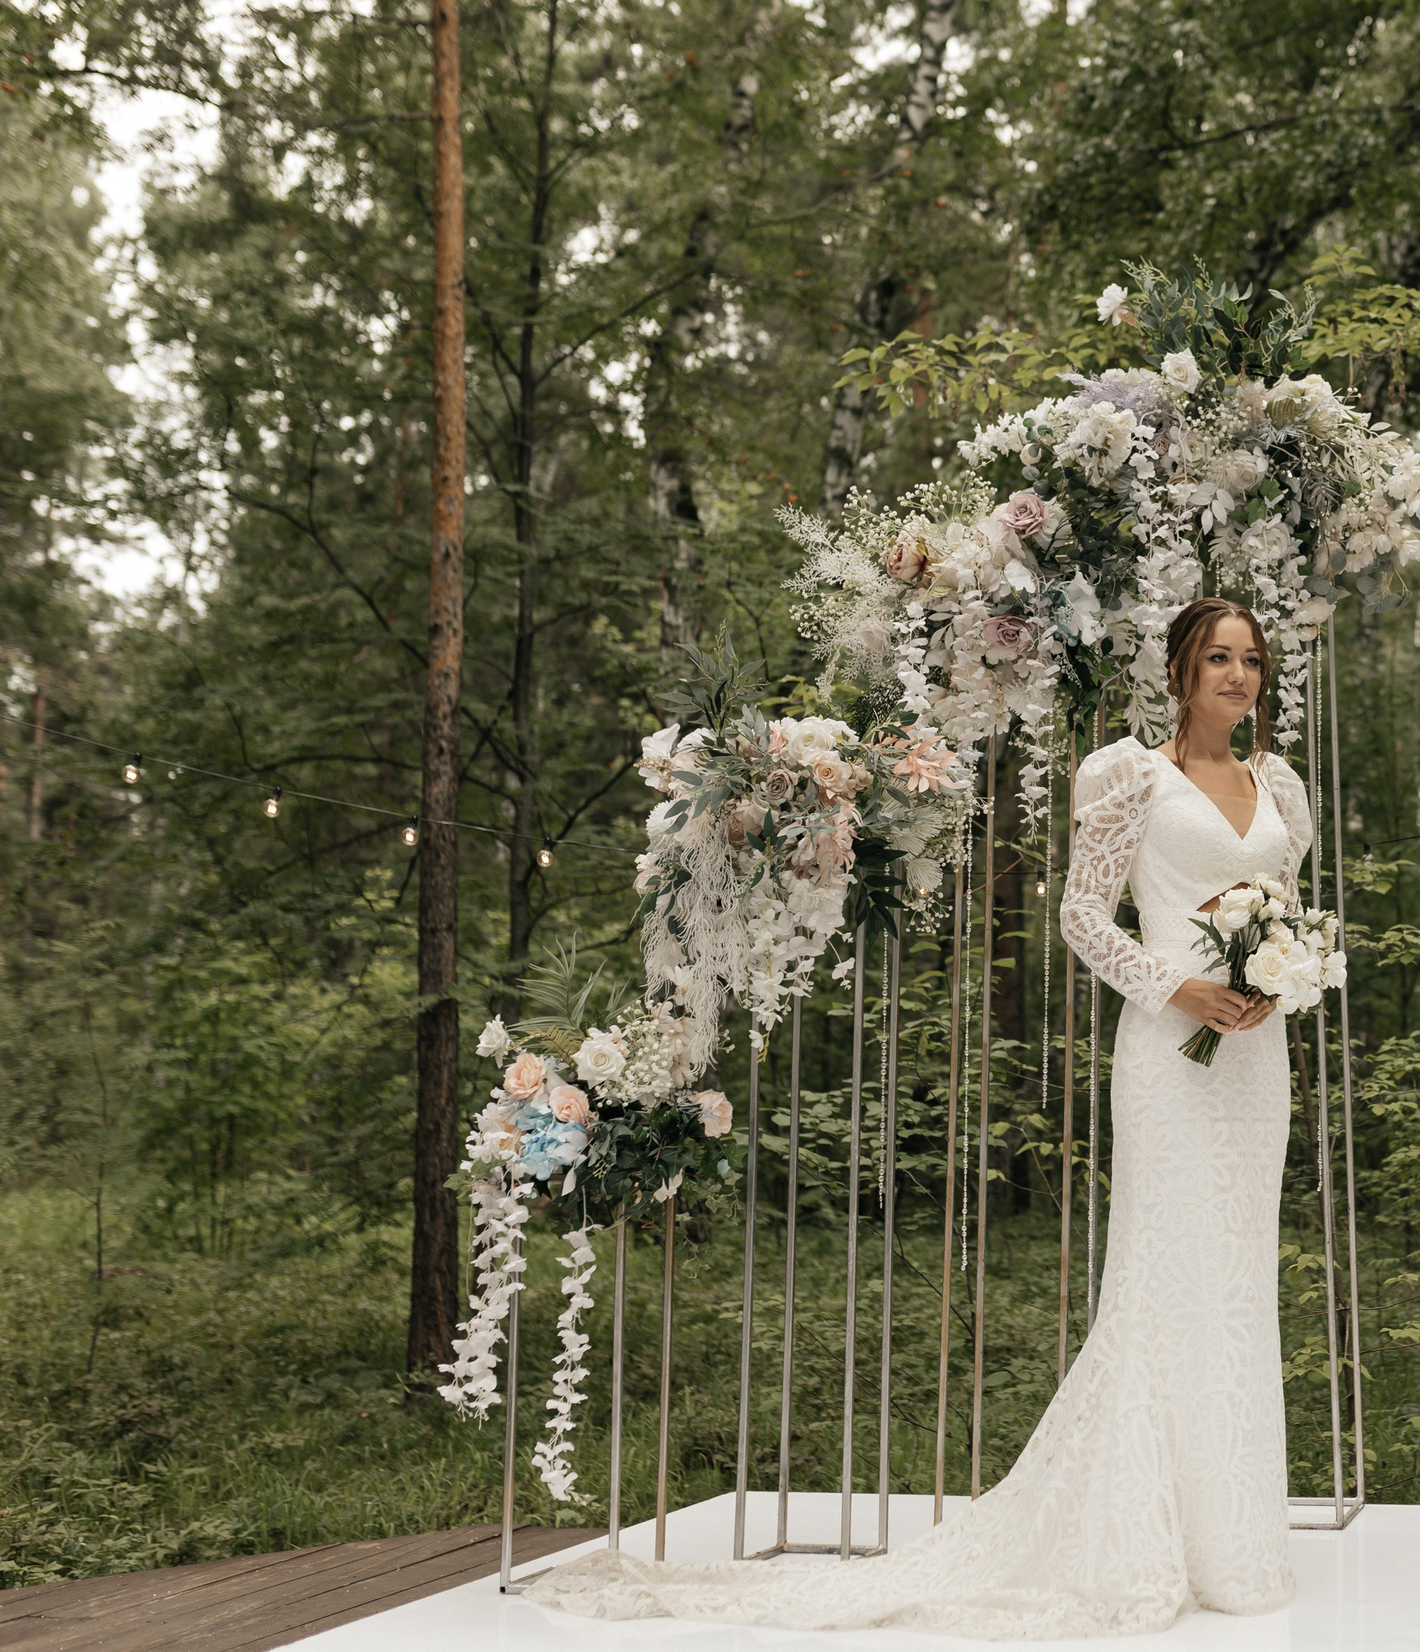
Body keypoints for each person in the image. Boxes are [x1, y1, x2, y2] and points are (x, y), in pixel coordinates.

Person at [525, 597, 1308, 1637]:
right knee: (1167, 1276)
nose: (1237, 675)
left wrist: (1279, 982)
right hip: (1170, 1050)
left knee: (1240, 1281)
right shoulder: (1130, 774)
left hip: (1258, 1062)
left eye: (1251, 659)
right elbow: (1081, 913)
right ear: (1178, 669)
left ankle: (1236, 1540)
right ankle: (1148, 1527)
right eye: (1218, 656)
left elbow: (1294, 915)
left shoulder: (1279, 784)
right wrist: (1178, 988)